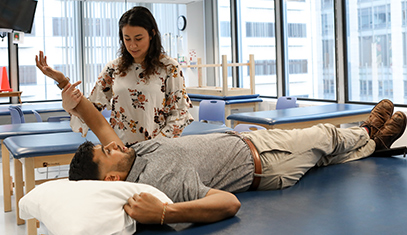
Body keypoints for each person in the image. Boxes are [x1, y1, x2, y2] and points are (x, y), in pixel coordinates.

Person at [58, 77, 406, 226]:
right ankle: (367, 134)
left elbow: (100, 126)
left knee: (325, 154)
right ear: (115, 177)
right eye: (108, 153)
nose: (113, 144)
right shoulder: (154, 183)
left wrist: (65, 89)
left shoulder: (135, 153)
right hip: (266, 162)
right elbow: (229, 204)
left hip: (247, 141)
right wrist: (165, 213)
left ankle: (370, 140)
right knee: (323, 136)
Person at [35, 6, 194, 147]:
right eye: (127, 39)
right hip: (121, 149)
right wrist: (62, 82)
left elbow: (179, 114)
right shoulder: (114, 68)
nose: (132, 45)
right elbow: (92, 108)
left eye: (138, 39)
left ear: (152, 34)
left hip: (158, 149)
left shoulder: (169, 68)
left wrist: (157, 145)